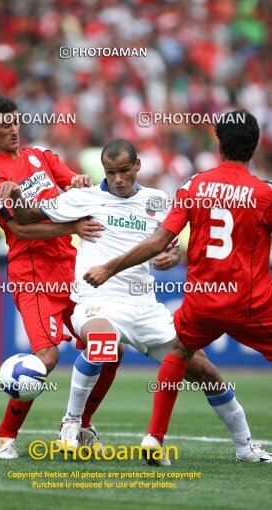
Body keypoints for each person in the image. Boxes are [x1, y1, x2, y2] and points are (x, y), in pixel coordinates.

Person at [0, 137, 269, 463]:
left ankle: (245, 448)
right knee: (101, 342)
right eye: (110, 172)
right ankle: (71, 423)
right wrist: (17, 195)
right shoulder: (82, 198)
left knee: (205, 371)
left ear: (137, 166)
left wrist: (173, 255)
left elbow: (174, 244)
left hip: (144, 307)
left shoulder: (157, 200)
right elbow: (26, 219)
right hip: (96, 300)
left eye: (124, 170)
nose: (118, 179)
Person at [82, 114, 272, 463]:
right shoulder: (265, 194)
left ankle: (154, 438)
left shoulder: (194, 186)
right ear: (256, 145)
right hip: (251, 303)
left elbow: (159, 242)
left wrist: (110, 266)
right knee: (192, 359)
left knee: (181, 352)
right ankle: (244, 447)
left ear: (219, 144)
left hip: (201, 302)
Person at [0, 94, 121, 459]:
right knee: (46, 357)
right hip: (33, 273)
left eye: (15, 120)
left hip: (70, 266)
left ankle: (80, 423)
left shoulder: (40, 156)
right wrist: (72, 225)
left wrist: (79, 182)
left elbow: (73, 181)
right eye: (5, 123)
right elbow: (21, 231)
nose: (13, 128)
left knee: (110, 346)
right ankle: (5, 435)